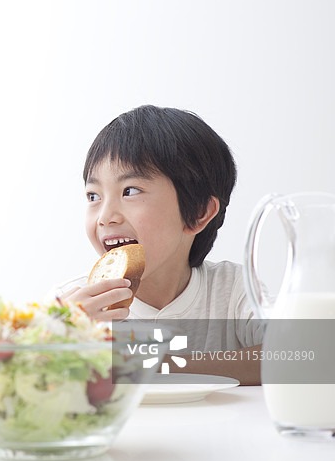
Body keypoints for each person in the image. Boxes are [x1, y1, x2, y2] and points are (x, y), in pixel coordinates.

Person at [55, 105, 264, 385]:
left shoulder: (234, 289)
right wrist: (56, 336)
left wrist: (157, 366)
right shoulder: (72, 305)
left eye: (130, 191)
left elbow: (303, 355)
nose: (105, 217)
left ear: (199, 212)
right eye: (93, 196)